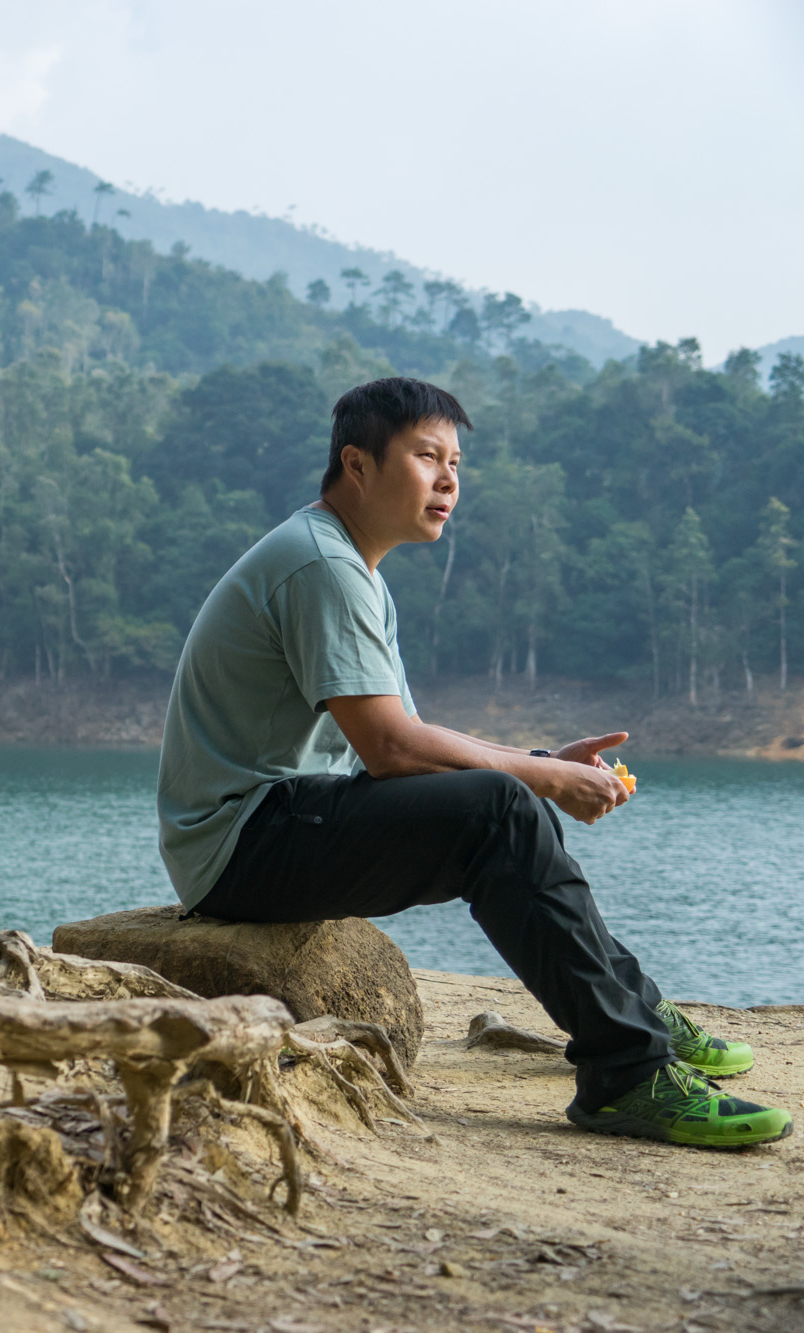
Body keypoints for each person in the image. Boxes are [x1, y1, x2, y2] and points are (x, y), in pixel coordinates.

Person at [157, 376, 792, 1149]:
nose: (449, 480)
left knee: (502, 803)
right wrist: (543, 778)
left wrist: (538, 761)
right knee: (501, 808)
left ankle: (633, 1012)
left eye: (456, 462)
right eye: (427, 457)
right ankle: (629, 1071)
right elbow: (391, 749)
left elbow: (408, 743)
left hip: (277, 821)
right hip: (242, 843)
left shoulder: (348, 564)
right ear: (357, 464)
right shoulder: (321, 566)